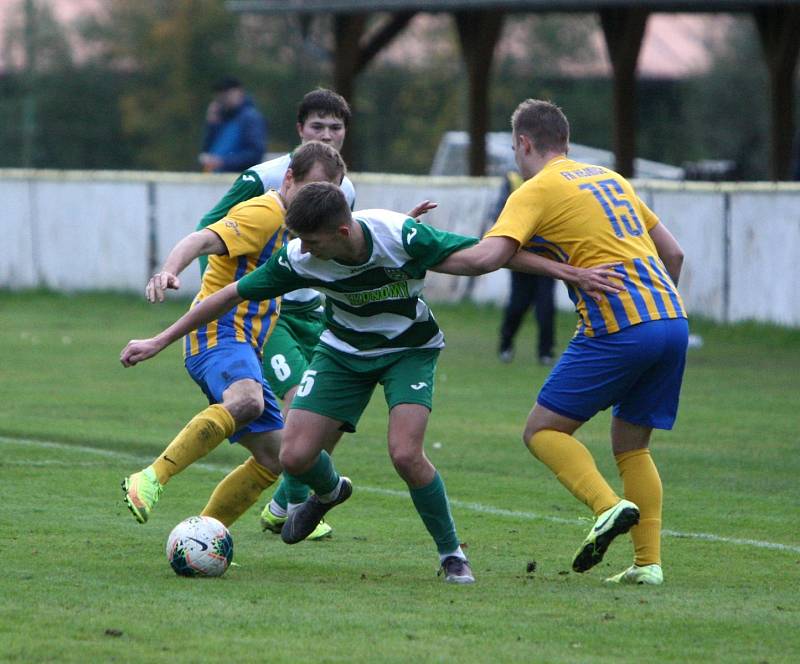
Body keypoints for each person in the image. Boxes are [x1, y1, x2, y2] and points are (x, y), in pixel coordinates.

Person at [120, 181, 622, 583]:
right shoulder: (301, 257)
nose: (303, 250)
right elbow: (225, 296)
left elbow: (484, 258)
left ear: (342, 230)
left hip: (409, 350)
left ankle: (452, 556)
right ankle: (328, 492)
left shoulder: (400, 236)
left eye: (312, 241)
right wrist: (159, 341)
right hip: (342, 353)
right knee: (292, 457)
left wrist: (567, 273)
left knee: (405, 453)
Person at [432, 99, 688, 586]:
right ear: (565, 142)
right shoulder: (609, 178)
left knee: (542, 430)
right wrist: (651, 309)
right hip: (671, 319)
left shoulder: (537, 188)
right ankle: (648, 564)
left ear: (524, 144)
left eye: (514, 148)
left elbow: (488, 256)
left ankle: (608, 506)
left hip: (618, 325)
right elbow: (673, 252)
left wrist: (416, 244)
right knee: (632, 447)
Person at [121, 142, 346, 533]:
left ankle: (204, 535)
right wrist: (169, 271)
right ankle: (150, 479)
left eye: (328, 194)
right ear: (289, 179)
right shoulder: (265, 211)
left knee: (275, 458)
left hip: (246, 344)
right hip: (219, 332)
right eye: (312, 189)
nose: (318, 201)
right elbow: (202, 239)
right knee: (247, 400)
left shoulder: (302, 230)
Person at [196, 88, 356, 540]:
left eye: (335, 127)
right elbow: (207, 232)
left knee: (329, 418)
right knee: (296, 412)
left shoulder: (346, 188)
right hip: (271, 317)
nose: (327, 134)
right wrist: (230, 295)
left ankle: (285, 504)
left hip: (319, 315)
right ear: (300, 130)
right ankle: (287, 505)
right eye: (317, 126)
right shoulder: (261, 178)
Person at [494, 170, 556, 365]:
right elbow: (498, 215)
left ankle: (545, 352)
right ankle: (506, 343)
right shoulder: (513, 178)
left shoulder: (555, 180)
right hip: (521, 256)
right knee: (518, 305)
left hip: (547, 255)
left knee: (545, 307)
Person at [199, 75, 267, 174]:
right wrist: (212, 125)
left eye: (227, 94)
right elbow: (207, 151)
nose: (223, 99)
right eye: (220, 95)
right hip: (216, 179)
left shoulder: (250, 118)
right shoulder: (221, 118)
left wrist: (223, 162)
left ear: (239, 92)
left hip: (239, 181)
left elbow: (255, 154)